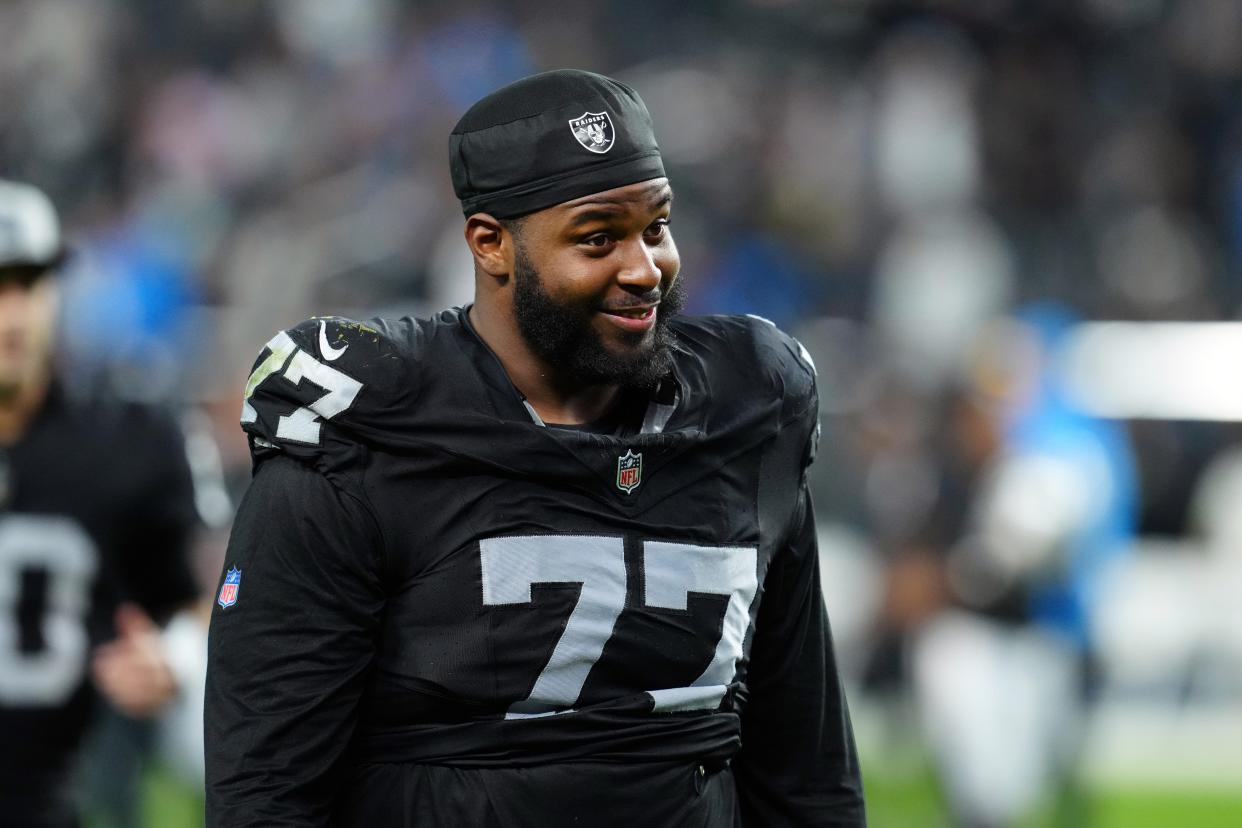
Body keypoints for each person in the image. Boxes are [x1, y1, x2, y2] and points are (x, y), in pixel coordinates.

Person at [205, 69, 865, 827]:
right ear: (492, 245)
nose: (645, 268)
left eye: (656, 228)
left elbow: (804, 767)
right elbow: (266, 789)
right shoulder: (370, 429)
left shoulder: (748, 412)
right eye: (598, 239)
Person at [0, 179, 202, 827]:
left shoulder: (128, 439)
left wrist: (172, 660)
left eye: (26, 284)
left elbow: (197, 601)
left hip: (61, 793)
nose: (11, 315)